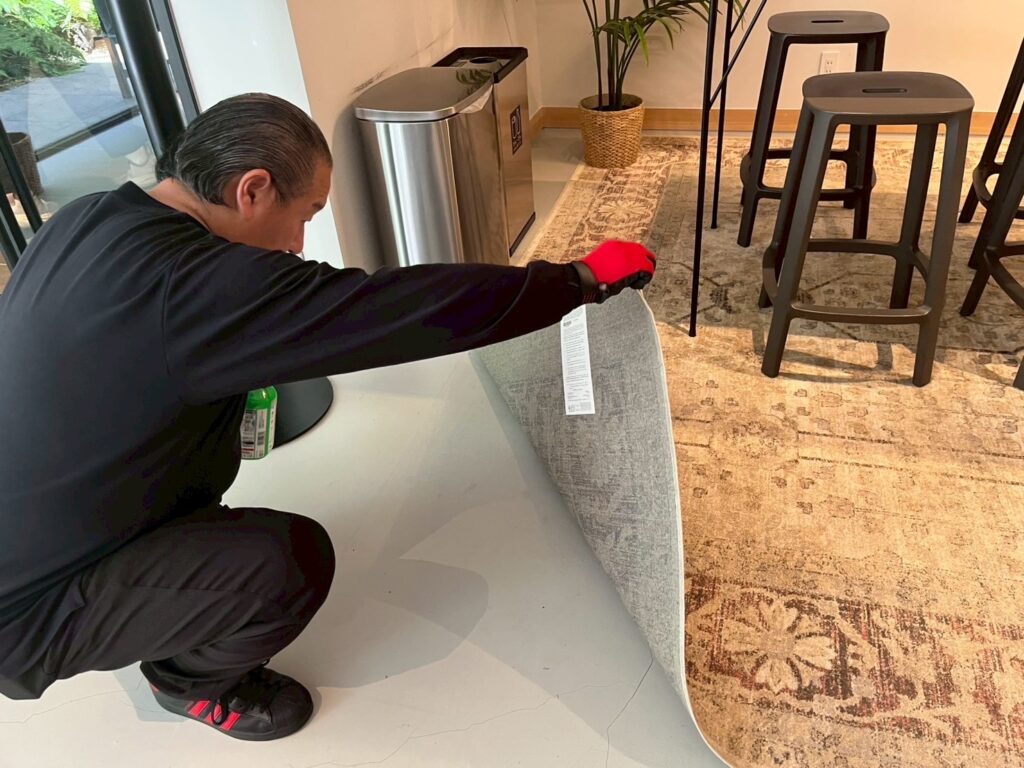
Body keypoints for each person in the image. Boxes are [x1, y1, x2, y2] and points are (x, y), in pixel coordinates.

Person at [0, 93, 656, 741]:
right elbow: (400, 310)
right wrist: (576, 280)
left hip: (35, 528)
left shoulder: (87, 217)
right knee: (288, 564)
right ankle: (187, 682)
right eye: (305, 216)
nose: (296, 243)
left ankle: (157, 595)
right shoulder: (197, 287)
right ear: (253, 189)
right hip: (27, 614)